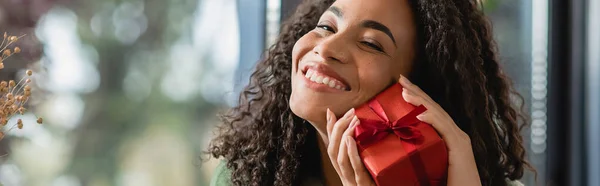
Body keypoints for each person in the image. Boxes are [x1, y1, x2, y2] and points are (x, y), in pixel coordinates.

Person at [208, 0, 535, 185]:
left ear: (415, 91)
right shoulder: (244, 177)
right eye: (327, 26)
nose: (327, 48)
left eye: (370, 44)